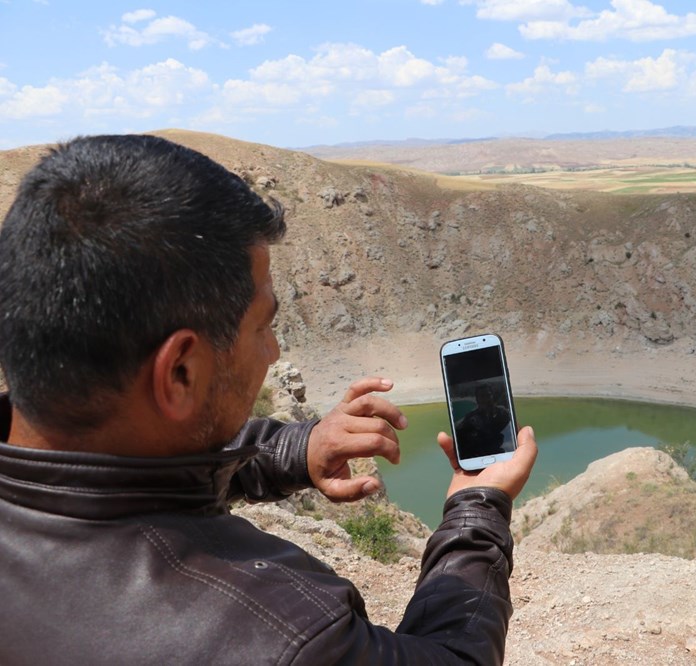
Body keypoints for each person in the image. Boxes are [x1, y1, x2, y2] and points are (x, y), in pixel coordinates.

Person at [0, 134, 537, 665]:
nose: (274, 351)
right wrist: (476, 509)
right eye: (263, 327)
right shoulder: (280, 637)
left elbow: (117, 469)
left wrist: (297, 450)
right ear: (180, 372)